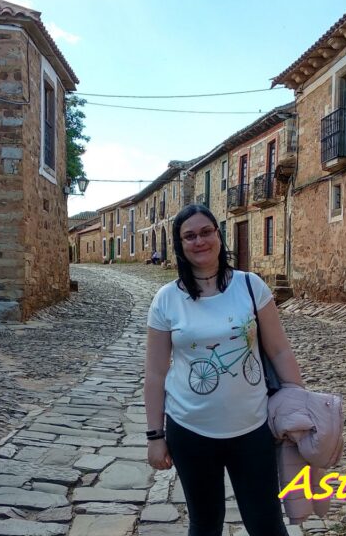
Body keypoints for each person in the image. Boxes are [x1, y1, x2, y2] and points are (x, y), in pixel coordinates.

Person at [144, 204, 304, 536]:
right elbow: (156, 373)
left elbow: (279, 350)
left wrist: (298, 406)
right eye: (189, 236)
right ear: (180, 244)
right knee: (205, 524)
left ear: (219, 235)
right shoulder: (166, 300)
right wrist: (155, 437)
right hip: (190, 430)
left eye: (206, 232)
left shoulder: (250, 286)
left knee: (266, 524)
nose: (199, 241)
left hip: (252, 427)